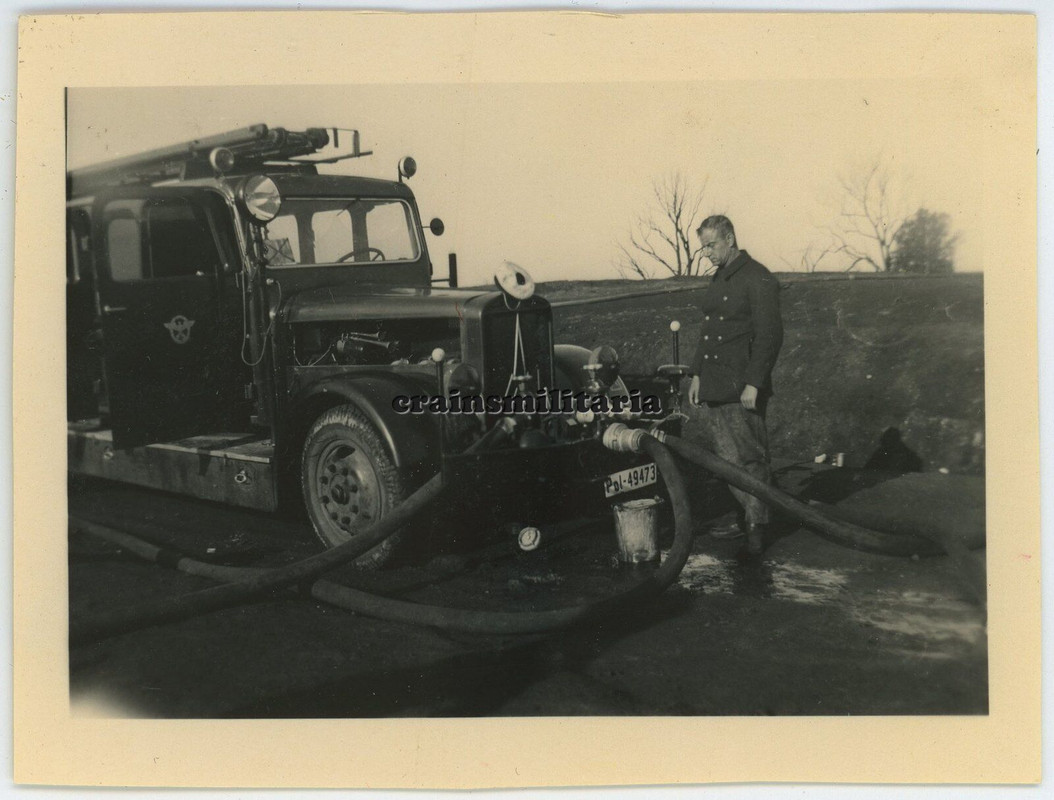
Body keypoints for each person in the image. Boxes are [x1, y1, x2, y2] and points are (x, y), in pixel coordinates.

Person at [687, 215, 783, 555]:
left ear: (730, 238)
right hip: (715, 382)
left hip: (741, 384)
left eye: (711, 245)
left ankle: (758, 525)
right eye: (703, 248)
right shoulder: (719, 279)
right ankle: (747, 516)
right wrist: (697, 374)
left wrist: (754, 384)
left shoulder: (758, 278)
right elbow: (708, 329)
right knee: (726, 461)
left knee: (750, 458)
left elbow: (770, 337)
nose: (707, 253)